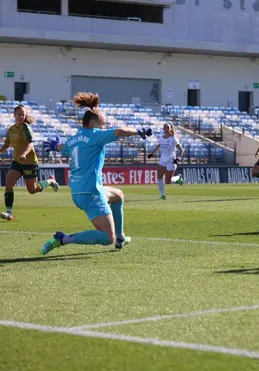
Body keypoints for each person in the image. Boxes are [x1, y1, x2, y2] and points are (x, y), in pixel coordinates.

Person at [40, 92, 153, 255]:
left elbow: (61, 148)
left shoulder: (74, 139)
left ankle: (121, 237)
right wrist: (138, 131)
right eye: (103, 124)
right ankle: (63, 239)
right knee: (108, 238)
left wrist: (56, 145)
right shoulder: (95, 136)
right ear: (93, 123)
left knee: (118, 195)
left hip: (80, 191)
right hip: (90, 194)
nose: (104, 128)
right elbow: (120, 131)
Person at [0, 104, 59, 221]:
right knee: (8, 184)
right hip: (17, 162)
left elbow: (31, 143)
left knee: (32, 190)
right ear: (14, 115)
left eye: (23, 114)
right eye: (19, 114)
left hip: (30, 163)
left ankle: (50, 181)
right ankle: (9, 212)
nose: (21, 116)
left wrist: (24, 154)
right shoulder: (11, 129)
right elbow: (6, 145)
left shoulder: (25, 127)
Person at [147, 122, 184, 200]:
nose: (166, 129)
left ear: (171, 129)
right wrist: (152, 154)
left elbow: (181, 150)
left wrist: (178, 159)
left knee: (168, 181)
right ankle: (162, 195)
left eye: (167, 128)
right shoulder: (161, 138)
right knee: (159, 178)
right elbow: (158, 146)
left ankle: (178, 178)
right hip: (163, 160)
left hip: (171, 160)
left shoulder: (173, 138)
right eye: (165, 128)